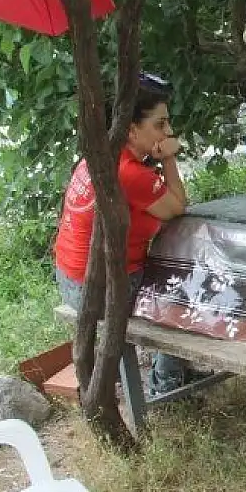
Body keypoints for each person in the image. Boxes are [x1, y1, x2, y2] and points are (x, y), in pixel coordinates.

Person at [54, 72, 197, 396]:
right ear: (131, 129)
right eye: (160, 125)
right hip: (100, 287)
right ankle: (167, 388)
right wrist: (170, 157)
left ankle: (171, 376)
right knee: (186, 293)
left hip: (69, 277)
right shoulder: (130, 173)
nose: (169, 132)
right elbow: (177, 206)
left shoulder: (102, 155)